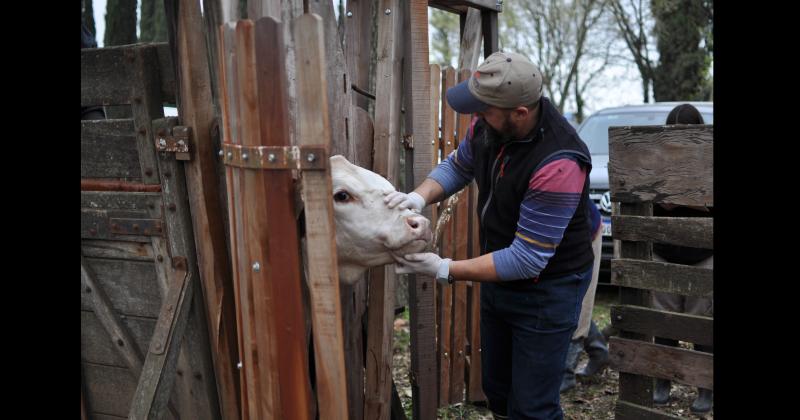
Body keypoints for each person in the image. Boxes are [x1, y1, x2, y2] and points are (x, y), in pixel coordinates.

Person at [387, 51, 595, 420]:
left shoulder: (559, 162)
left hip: (549, 285)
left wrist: (443, 268)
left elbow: (527, 259)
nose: (475, 117)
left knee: (533, 407)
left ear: (520, 112)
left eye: (485, 110)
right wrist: (417, 199)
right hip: (502, 273)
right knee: (497, 391)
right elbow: (459, 165)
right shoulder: (490, 125)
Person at [651, 103, 713, 414]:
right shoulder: (655, 161)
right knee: (665, 322)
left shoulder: (710, 161)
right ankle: (663, 381)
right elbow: (642, 201)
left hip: (703, 255)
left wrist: (694, 200)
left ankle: (705, 386)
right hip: (666, 253)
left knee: (702, 324)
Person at [560, 198, 609, 393]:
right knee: (567, 302)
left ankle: (566, 375)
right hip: (561, 239)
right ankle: (598, 351)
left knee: (580, 303)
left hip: (586, 235)